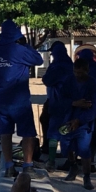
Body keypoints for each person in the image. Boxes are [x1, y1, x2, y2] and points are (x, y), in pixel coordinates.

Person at [0, 19, 44, 178]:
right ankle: (28, 166)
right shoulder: (20, 50)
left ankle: (9, 166)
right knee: (28, 133)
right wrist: (26, 45)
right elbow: (39, 60)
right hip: (20, 100)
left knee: (5, 133)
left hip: (0, 99)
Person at [59, 58, 96, 190]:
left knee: (84, 149)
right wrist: (74, 103)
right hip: (67, 119)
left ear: (87, 71)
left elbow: (94, 108)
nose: (77, 75)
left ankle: (87, 177)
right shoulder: (69, 81)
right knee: (66, 147)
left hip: (84, 122)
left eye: (80, 73)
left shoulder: (94, 85)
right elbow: (60, 99)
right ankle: (73, 166)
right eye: (75, 72)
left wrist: (80, 120)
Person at [41, 41, 73, 171]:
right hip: (71, 104)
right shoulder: (71, 64)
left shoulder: (57, 66)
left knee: (53, 131)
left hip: (57, 102)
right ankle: (70, 161)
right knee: (67, 131)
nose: (52, 55)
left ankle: (52, 160)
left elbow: (47, 80)